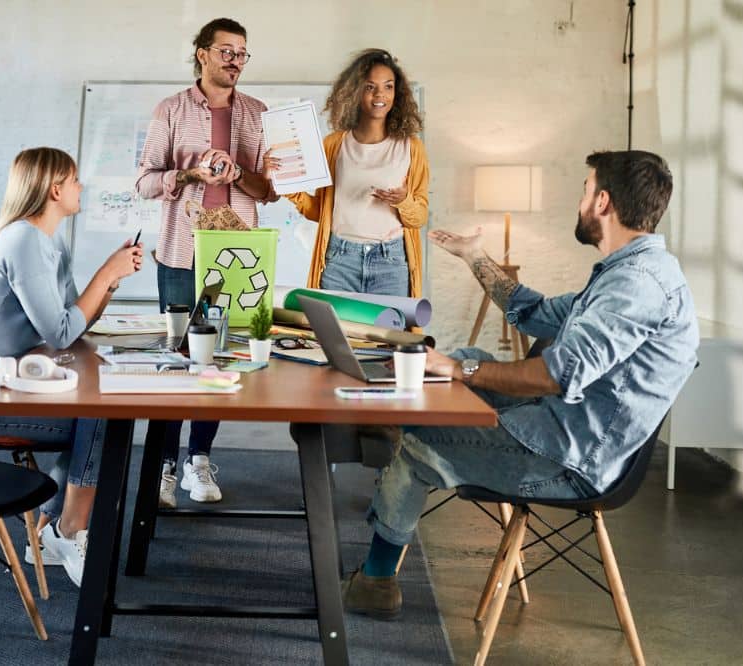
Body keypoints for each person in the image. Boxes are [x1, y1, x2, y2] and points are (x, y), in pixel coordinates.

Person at [341, 150, 699, 617]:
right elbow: (533, 313)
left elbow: (556, 375)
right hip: (558, 429)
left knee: (421, 438)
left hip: (570, 459)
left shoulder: (638, 286)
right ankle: (394, 421)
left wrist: (456, 371)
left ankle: (376, 582)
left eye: (585, 190)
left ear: (604, 202)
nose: (581, 200)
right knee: (469, 358)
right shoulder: (625, 274)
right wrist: (474, 257)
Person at [0, 147, 143, 587]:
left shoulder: (50, 241)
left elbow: (70, 321)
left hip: (1, 385)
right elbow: (63, 333)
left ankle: (52, 529)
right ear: (55, 189)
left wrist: (109, 282)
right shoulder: (23, 240)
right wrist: (104, 273)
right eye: (75, 179)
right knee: (103, 416)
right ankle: (70, 530)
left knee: (99, 411)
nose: (81, 186)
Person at [134, 17, 279, 508]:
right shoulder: (170, 109)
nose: (235, 61)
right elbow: (145, 181)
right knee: (176, 355)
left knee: (214, 355)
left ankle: (199, 459)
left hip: (232, 256)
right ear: (202, 53)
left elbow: (269, 190)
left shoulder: (258, 114)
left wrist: (241, 174)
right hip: (180, 250)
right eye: (226, 52)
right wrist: (189, 173)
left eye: (242, 53)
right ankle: (166, 468)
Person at [281, 49, 429, 298]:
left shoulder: (411, 147)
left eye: (388, 86)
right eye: (370, 87)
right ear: (355, 92)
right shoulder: (334, 144)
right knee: (334, 335)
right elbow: (321, 210)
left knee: (390, 336)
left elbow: (419, 217)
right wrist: (289, 186)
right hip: (340, 261)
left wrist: (403, 201)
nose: (380, 95)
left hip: (390, 262)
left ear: (397, 93)